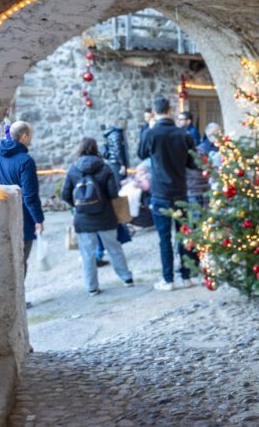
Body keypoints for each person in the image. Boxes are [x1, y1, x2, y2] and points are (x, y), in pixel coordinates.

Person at [138, 96, 198, 291]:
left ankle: (168, 279)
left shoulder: (151, 133)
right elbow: (193, 163)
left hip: (161, 192)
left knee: (164, 237)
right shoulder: (183, 134)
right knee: (183, 235)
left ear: (154, 112)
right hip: (180, 191)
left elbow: (141, 154)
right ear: (170, 110)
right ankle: (187, 276)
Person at [61, 137, 134, 296]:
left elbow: (65, 193)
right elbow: (113, 193)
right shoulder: (105, 168)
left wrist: (77, 205)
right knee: (114, 248)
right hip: (105, 216)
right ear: (96, 148)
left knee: (87, 254)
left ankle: (92, 287)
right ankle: (126, 278)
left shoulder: (73, 169)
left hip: (83, 218)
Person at [0, 120, 45, 274]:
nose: (32, 138)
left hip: (0, 214)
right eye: (31, 135)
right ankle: (18, 297)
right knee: (21, 260)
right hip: (22, 217)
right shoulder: (26, 161)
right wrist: (38, 220)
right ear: (24, 137)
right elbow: (29, 196)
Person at [96, 120, 132, 266]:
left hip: (114, 164)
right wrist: (122, 164)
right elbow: (117, 150)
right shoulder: (116, 134)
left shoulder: (110, 134)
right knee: (119, 193)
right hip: (117, 165)